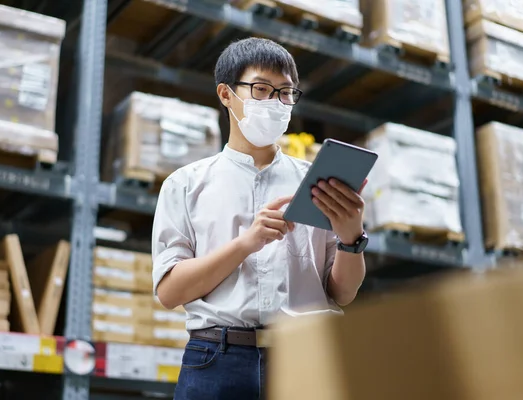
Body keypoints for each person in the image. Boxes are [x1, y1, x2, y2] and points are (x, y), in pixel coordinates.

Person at [151, 37, 368, 400]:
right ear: (225, 94)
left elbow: (343, 293)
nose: (276, 103)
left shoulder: (318, 183)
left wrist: (351, 238)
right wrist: (245, 244)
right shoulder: (185, 185)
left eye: (285, 93)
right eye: (262, 89)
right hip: (217, 360)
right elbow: (170, 292)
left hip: (307, 356)